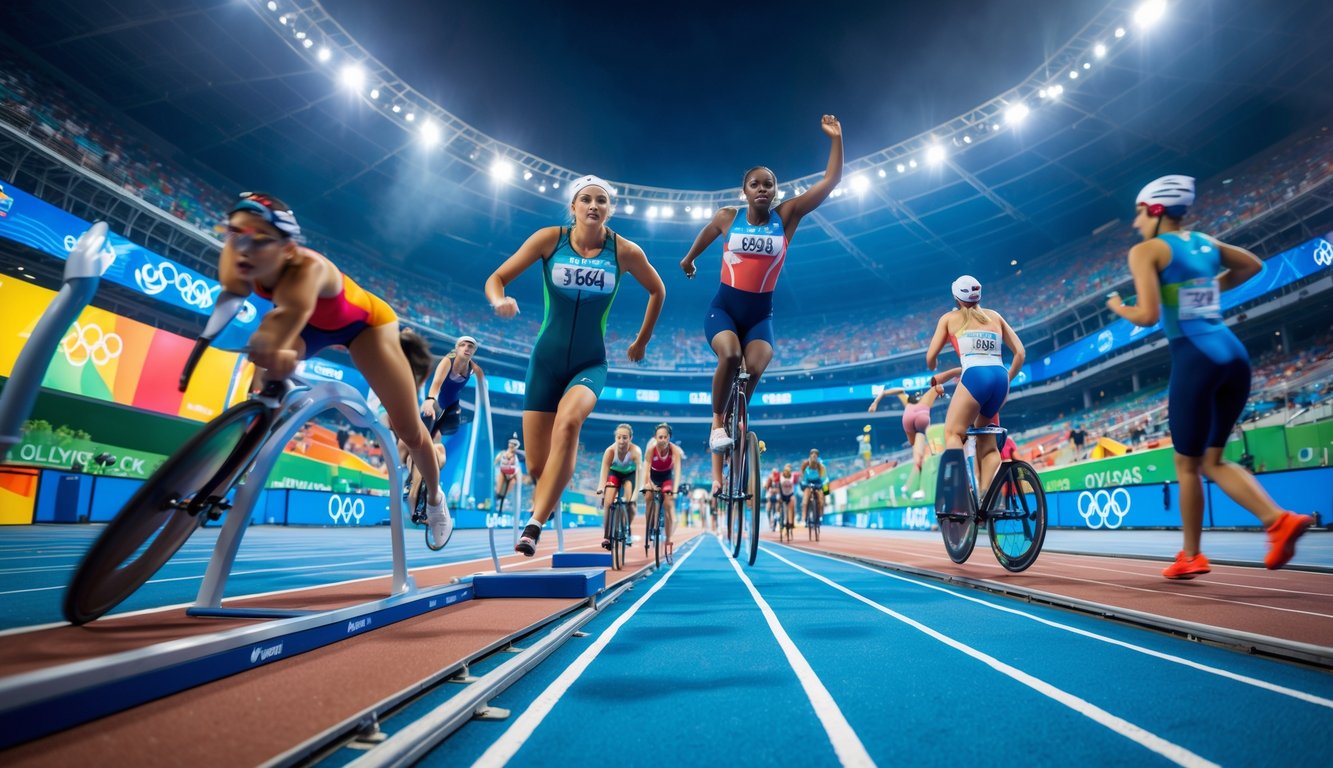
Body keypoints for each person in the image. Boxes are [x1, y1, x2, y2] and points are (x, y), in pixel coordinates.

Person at [216, 191, 452, 547]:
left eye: (258, 238)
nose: (243, 248)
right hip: (309, 323)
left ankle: (434, 499)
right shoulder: (238, 258)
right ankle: (241, 456)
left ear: (287, 249)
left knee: (409, 430)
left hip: (365, 328)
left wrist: (273, 346)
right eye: (236, 234)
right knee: (265, 369)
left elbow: (286, 318)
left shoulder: (307, 268)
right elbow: (233, 303)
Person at [1106, 174, 1311, 578]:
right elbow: (1252, 265)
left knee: (1186, 464)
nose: (1136, 222)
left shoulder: (1146, 251)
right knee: (1212, 460)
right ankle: (1277, 521)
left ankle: (1194, 554)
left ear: (1156, 210)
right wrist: (1210, 288)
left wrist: (1116, 306)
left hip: (1195, 357)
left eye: (1139, 213)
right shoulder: (1206, 242)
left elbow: (1147, 316)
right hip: (1233, 354)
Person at [486, 176, 665, 556]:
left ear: (609, 209)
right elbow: (496, 277)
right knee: (538, 468)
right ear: (573, 207)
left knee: (569, 422)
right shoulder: (549, 240)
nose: (593, 206)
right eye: (586, 199)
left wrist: (642, 340)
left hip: (590, 363)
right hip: (545, 363)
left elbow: (657, 289)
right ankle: (547, 499)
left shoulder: (624, 251)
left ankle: (533, 526)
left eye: (601, 200)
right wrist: (499, 300)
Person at [680, 116, 844, 494]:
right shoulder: (728, 217)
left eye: (768, 184)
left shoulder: (786, 216)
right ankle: (717, 423)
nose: (762, 189)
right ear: (744, 191)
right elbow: (707, 233)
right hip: (723, 311)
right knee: (730, 356)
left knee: (754, 368)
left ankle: (735, 424)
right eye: (755, 183)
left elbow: (830, 181)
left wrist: (837, 139)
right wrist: (689, 260)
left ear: (775, 191)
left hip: (760, 317)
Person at [926, 276, 1025, 501]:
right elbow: (1020, 353)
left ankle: (958, 496)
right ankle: (985, 500)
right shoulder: (995, 316)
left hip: (975, 376)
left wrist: (934, 366)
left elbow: (931, 358)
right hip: (1000, 378)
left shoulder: (949, 318)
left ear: (956, 297)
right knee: (988, 448)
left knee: (953, 433)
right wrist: (1007, 379)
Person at [869, 369, 958, 499]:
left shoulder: (907, 399)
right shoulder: (925, 398)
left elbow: (886, 392)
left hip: (909, 422)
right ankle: (918, 487)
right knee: (922, 454)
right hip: (920, 421)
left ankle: (914, 486)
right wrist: (943, 393)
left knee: (918, 454)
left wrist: (875, 403)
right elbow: (938, 387)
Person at [640, 423, 683, 558]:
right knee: (648, 496)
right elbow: (646, 469)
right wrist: (648, 484)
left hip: (666, 478)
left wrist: (674, 491)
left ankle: (668, 538)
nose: (663, 440)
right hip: (653, 476)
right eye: (660, 437)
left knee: (669, 503)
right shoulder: (651, 450)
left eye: (665, 437)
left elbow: (677, 472)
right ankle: (649, 525)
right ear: (655, 437)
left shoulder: (675, 450)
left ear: (669, 437)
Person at [597, 423, 642, 548]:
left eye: (625, 438)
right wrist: (601, 488)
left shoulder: (636, 451)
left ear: (630, 438)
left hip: (630, 475)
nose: (621, 441)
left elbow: (640, 473)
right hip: (615, 473)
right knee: (608, 502)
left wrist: (635, 495)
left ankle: (627, 527)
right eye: (619, 437)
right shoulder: (610, 451)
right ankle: (607, 537)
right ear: (615, 437)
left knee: (630, 503)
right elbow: (604, 472)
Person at [799, 449, 827, 526]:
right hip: (807, 483)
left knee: (821, 500)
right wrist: (803, 484)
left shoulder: (821, 466)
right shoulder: (805, 464)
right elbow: (801, 476)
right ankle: (804, 518)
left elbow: (825, 479)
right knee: (805, 501)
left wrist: (825, 491)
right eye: (812, 454)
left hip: (818, 483)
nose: (814, 456)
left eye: (816, 455)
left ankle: (820, 516)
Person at [494, 434, 521, 509]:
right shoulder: (502, 454)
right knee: (499, 491)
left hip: (511, 474)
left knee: (511, 483)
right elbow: (495, 463)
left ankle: (503, 498)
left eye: (514, 445)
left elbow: (517, 468)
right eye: (511, 444)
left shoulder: (516, 457)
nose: (512, 446)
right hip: (503, 472)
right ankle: (498, 497)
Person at [777, 464, 797, 539]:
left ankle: (791, 523)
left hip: (790, 494)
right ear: (784, 471)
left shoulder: (792, 476)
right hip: (782, 494)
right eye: (786, 470)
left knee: (793, 503)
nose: (787, 472)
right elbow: (778, 486)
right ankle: (778, 516)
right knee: (780, 504)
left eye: (789, 470)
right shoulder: (780, 476)